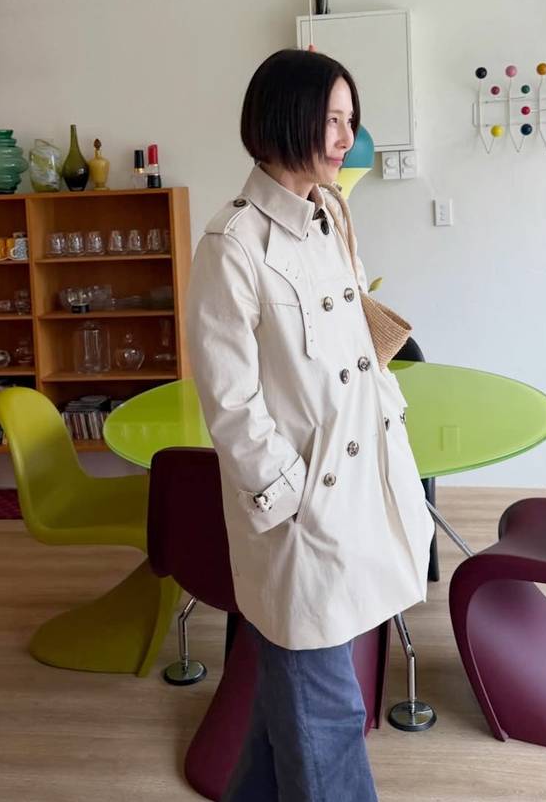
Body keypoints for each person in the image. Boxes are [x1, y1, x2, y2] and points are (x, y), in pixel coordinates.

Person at [187, 48, 435, 802]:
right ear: (284, 116)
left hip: (357, 489)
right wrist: (291, 496)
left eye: (350, 120)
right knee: (327, 715)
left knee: (290, 709)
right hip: (300, 516)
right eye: (331, 118)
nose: (345, 137)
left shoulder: (332, 216)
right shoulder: (232, 245)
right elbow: (229, 402)